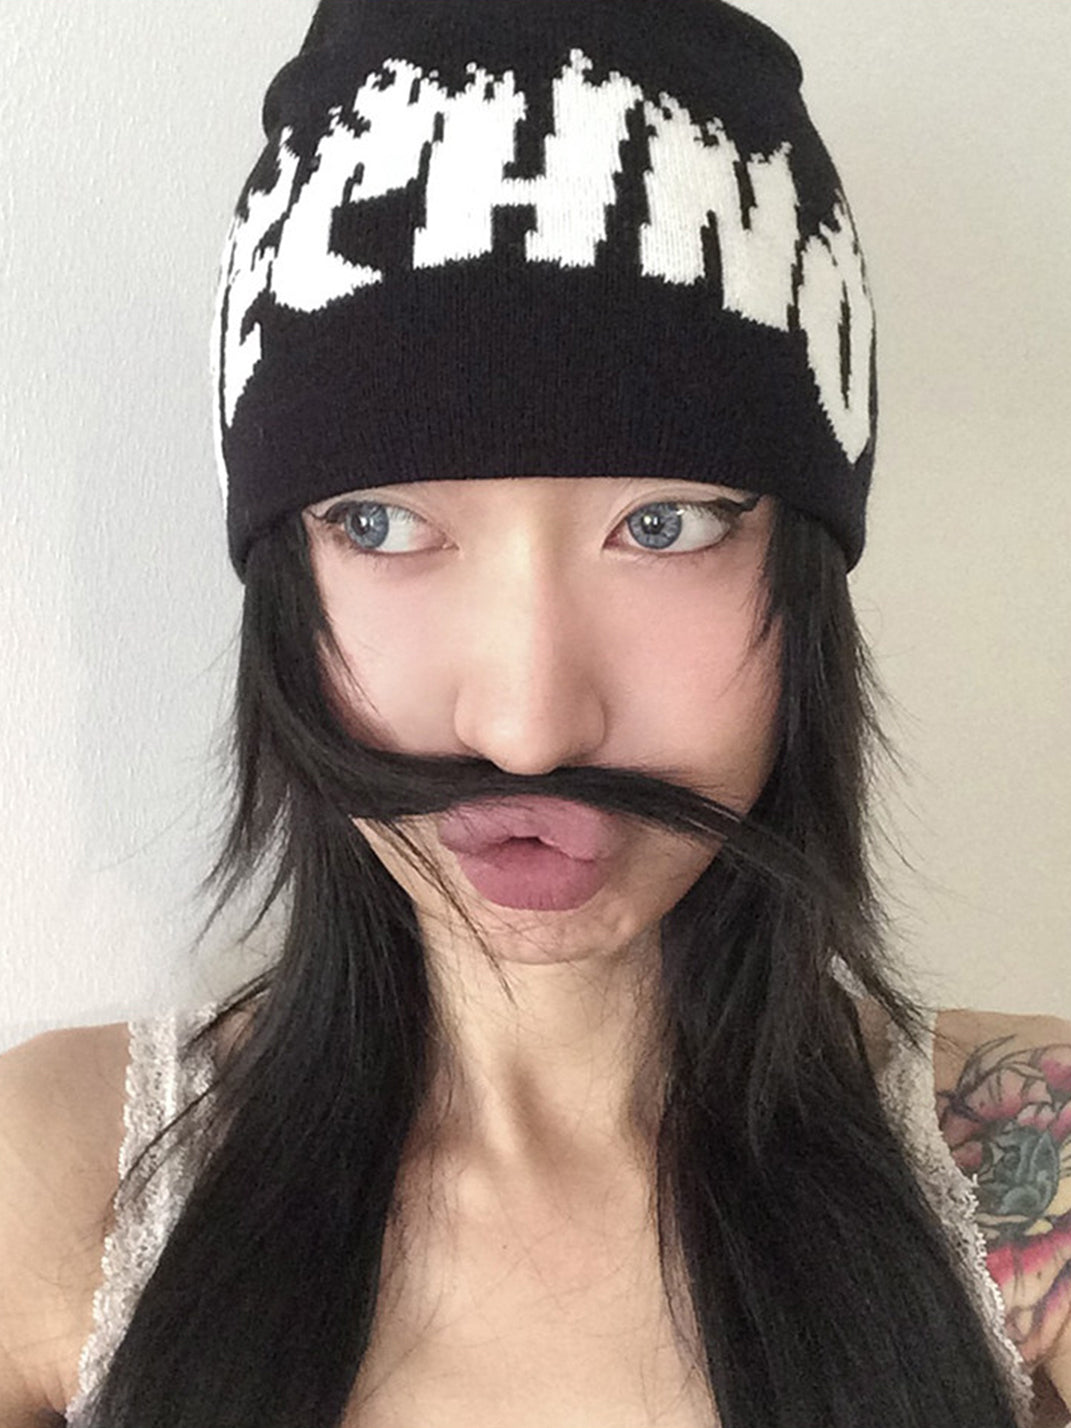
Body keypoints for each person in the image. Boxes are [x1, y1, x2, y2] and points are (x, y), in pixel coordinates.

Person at [1, 0, 1069, 1425]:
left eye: (665, 524)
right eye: (380, 523)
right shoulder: (55, 1185)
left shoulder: (1032, 1165)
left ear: (807, 578)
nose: (526, 728)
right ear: (284, 584)